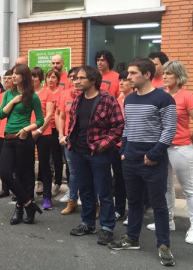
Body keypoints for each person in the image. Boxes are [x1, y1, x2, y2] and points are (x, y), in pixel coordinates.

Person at [108, 58, 177, 267]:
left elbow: (169, 130)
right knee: (134, 201)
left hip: (153, 159)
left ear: (147, 75)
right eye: (128, 73)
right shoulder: (129, 99)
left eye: (132, 73)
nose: (128, 77)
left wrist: (154, 154)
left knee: (158, 204)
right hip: (130, 158)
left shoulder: (164, 99)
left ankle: (164, 246)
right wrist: (123, 150)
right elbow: (128, 128)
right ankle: (132, 238)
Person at [67, 66, 123, 246]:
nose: (76, 81)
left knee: (104, 192)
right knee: (85, 190)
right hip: (78, 151)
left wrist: (103, 145)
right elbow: (73, 122)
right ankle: (87, 223)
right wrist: (70, 141)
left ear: (92, 80)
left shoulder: (107, 100)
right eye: (75, 78)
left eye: (81, 78)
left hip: (99, 153)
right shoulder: (78, 99)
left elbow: (118, 127)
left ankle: (107, 228)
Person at [145, 60, 193, 244]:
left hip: (181, 147)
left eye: (169, 74)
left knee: (189, 189)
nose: (164, 76)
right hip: (162, 148)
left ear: (179, 76)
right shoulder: (160, 95)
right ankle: (168, 221)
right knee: (165, 187)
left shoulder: (187, 96)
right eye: (164, 73)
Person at [0, 64, 44, 225]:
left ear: (23, 77)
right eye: (12, 74)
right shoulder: (8, 94)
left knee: (23, 176)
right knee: (5, 174)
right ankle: (29, 205)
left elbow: (40, 121)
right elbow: (1, 114)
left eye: (16, 74)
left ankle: (19, 208)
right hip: (8, 138)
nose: (13, 77)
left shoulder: (33, 96)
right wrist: (13, 101)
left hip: (24, 139)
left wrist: (26, 128)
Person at [56, 67, 82, 214]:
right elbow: (61, 116)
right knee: (72, 171)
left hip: (84, 140)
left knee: (86, 170)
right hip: (68, 139)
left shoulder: (87, 94)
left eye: (77, 77)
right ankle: (72, 200)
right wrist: (61, 135)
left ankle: (88, 199)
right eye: (71, 77)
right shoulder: (65, 94)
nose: (74, 80)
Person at [30, 67, 54, 209]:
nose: (33, 79)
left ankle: (47, 198)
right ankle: (29, 196)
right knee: (28, 165)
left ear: (40, 79)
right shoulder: (27, 94)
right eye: (31, 77)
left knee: (44, 166)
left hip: (44, 133)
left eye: (35, 77)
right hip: (28, 132)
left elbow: (49, 115)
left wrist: (38, 130)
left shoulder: (47, 93)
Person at [110, 71, 132, 221]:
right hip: (116, 145)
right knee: (118, 178)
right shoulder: (116, 100)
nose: (122, 83)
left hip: (130, 144)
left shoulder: (135, 99)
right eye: (120, 80)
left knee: (131, 179)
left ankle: (135, 211)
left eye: (125, 80)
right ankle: (119, 209)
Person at [0, 69, 13, 199]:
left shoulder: (19, 95)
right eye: (5, 79)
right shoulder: (0, 96)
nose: (6, 81)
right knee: (3, 163)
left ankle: (16, 189)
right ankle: (4, 189)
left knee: (15, 164)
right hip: (1, 133)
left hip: (13, 133)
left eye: (9, 78)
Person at [46, 69, 64, 198]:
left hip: (55, 128)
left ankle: (57, 182)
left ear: (58, 79)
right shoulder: (43, 92)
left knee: (57, 157)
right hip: (43, 127)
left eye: (53, 77)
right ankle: (42, 181)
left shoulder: (61, 93)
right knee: (45, 157)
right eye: (48, 77)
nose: (50, 80)